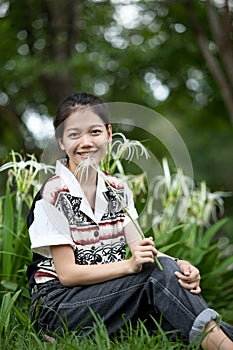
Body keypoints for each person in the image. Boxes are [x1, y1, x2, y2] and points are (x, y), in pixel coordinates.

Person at [27, 92, 233, 349]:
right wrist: (129, 266)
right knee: (157, 278)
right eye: (74, 134)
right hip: (59, 307)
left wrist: (180, 265)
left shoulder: (118, 189)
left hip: (109, 295)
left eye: (94, 132)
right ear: (60, 141)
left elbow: (140, 251)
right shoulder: (52, 195)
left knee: (174, 306)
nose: (86, 142)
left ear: (109, 134)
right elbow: (68, 274)